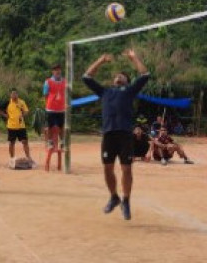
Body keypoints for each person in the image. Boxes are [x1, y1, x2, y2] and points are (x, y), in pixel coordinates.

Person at [82, 49, 150, 220]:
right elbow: (86, 77)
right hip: (109, 134)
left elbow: (145, 74)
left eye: (122, 76)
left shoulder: (129, 91)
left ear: (127, 81)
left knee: (127, 169)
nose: (119, 77)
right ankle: (114, 197)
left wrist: (134, 58)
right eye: (117, 76)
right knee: (107, 168)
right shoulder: (105, 91)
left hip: (125, 135)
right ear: (113, 81)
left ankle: (126, 200)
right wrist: (100, 60)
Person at [0, 88, 35, 167]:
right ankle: (12, 158)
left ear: (17, 94)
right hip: (11, 126)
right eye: (12, 94)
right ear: (10, 95)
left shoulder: (21, 102)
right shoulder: (7, 102)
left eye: (15, 94)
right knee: (11, 143)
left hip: (21, 126)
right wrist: (5, 115)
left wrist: (22, 115)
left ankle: (28, 157)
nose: (14, 95)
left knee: (25, 142)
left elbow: (26, 111)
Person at [43, 63, 66, 148]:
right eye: (55, 70)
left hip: (61, 108)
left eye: (59, 69)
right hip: (51, 108)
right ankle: (50, 142)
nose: (58, 71)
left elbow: (67, 93)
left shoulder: (65, 81)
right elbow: (45, 94)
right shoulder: (48, 81)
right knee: (50, 126)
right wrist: (49, 102)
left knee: (62, 126)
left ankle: (62, 141)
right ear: (52, 71)